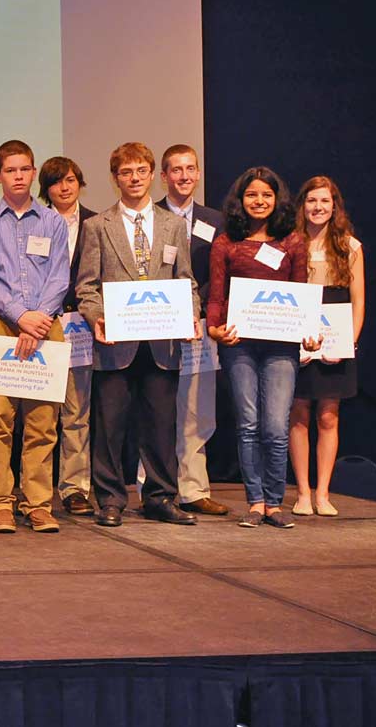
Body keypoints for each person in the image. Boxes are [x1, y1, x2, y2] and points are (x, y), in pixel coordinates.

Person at [75, 142, 201, 528]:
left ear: (152, 174)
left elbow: (187, 282)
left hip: (162, 344)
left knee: (161, 426)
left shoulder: (173, 225)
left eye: (141, 171)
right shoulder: (97, 226)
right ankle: (110, 499)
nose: (134, 178)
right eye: (125, 173)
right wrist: (97, 318)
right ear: (115, 179)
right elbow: (86, 288)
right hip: (115, 343)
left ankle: (161, 497)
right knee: (109, 428)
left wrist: (193, 315)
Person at [208, 166, 318, 528]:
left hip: (281, 347)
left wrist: (309, 330)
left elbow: (300, 294)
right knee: (248, 425)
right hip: (238, 345)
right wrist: (214, 329)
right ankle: (255, 502)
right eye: (252, 194)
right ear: (241, 200)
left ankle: (275, 502)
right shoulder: (226, 241)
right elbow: (217, 295)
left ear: (277, 199)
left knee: (275, 426)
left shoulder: (293, 242)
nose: (259, 201)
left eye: (266, 195)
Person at [0, 140, 69, 534]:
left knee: (44, 423)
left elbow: (60, 275)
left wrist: (39, 318)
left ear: (33, 172)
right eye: (10, 170)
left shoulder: (54, 222)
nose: (18, 176)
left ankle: (39, 504)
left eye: (25, 169)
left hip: (47, 324)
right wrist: (20, 316)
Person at [156, 144, 230, 516]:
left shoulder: (217, 220)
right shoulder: (148, 216)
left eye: (190, 169)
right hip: (156, 323)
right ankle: (151, 487)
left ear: (198, 174)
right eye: (176, 170)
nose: (184, 176)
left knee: (197, 410)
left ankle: (194, 489)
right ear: (164, 176)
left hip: (201, 328)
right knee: (155, 408)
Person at [290, 176, 363, 517]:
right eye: (311, 201)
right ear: (302, 206)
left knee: (329, 417)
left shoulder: (350, 246)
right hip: (299, 337)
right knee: (299, 414)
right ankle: (303, 493)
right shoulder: (291, 243)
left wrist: (348, 342)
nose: (318, 207)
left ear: (335, 207)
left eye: (324, 201)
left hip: (336, 338)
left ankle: (323, 493)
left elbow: (358, 301)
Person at [38, 156, 97, 515]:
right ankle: (36, 488)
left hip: (83, 328)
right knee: (39, 414)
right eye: (57, 182)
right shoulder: (34, 222)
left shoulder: (99, 223)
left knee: (76, 412)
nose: (65, 187)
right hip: (40, 326)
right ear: (45, 189)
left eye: (71, 180)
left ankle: (75, 486)